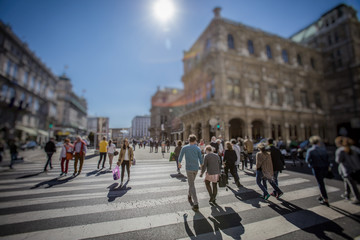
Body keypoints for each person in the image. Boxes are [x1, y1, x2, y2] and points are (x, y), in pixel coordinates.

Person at [178, 134, 203, 211]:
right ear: (195, 140)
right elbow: (201, 159)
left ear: (189, 140)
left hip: (189, 168)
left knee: (191, 184)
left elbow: (180, 156)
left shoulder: (185, 148)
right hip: (196, 168)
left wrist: (179, 164)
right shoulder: (198, 148)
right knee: (191, 183)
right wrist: (202, 168)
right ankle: (189, 195)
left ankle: (196, 203)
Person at [305, 136, 330, 207]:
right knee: (321, 182)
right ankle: (321, 195)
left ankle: (325, 199)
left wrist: (311, 165)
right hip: (324, 168)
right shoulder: (323, 149)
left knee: (321, 183)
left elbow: (307, 160)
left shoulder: (311, 150)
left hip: (316, 168)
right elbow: (327, 159)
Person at [335, 136, 360, 204]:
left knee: (352, 184)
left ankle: (357, 198)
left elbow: (338, 160)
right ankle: (347, 194)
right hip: (357, 168)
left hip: (347, 170)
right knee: (350, 183)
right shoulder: (354, 148)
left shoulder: (340, 150)